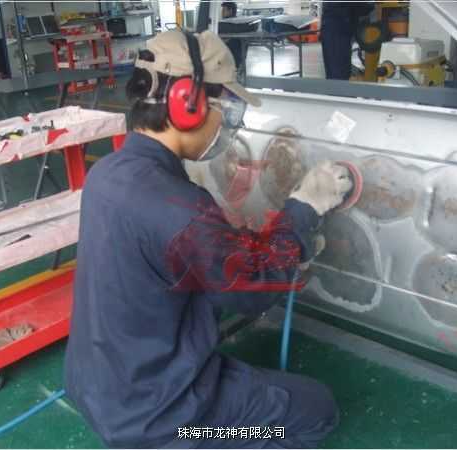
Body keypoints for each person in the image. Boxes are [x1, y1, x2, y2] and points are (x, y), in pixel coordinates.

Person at [65, 29, 353, 449]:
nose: (229, 124)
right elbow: (253, 289)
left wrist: (250, 242)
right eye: (227, 109)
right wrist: (302, 211)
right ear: (189, 104)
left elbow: (188, 253)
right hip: (158, 416)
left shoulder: (107, 172)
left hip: (99, 387)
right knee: (316, 409)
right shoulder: (181, 209)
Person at [320, 2, 374, 80]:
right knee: (338, 74)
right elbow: (361, 6)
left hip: (341, 28)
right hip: (336, 29)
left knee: (342, 71)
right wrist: (371, 4)